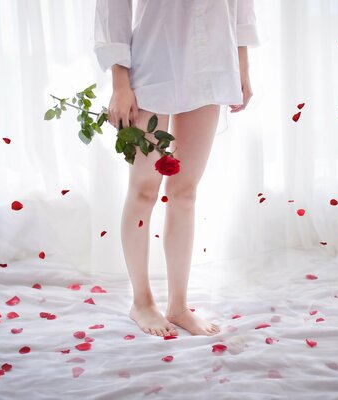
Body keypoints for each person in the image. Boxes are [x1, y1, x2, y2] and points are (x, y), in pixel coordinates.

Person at [93, 0, 260, 337]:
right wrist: (119, 84)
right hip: (153, 62)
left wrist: (242, 69)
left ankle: (179, 306)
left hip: (213, 64)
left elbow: (241, 7)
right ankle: (142, 302)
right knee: (144, 189)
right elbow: (113, 7)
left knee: (184, 192)